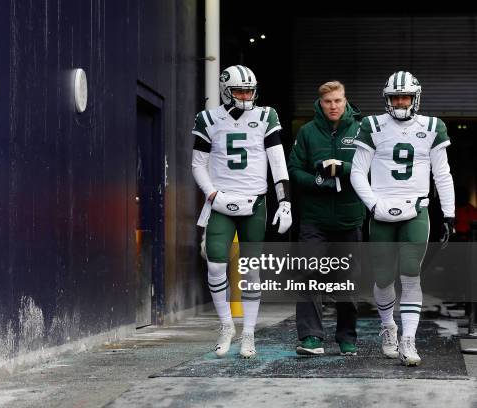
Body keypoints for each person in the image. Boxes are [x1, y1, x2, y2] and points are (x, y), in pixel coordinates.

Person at [350, 71, 455, 366]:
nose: (399, 102)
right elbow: (357, 171)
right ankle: (388, 327)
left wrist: (449, 212)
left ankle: (409, 339)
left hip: (415, 210)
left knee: (410, 273)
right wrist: (373, 205)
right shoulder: (372, 125)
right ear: (386, 98)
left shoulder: (433, 127)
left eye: (405, 96)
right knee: (383, 277)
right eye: (395, 97)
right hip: (381, 209)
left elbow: (442, 174)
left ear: (415, 98)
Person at [192, 65, 292, 358]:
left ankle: (248, 332)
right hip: (221, 202)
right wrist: (211, 193)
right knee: (214, 264)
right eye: (240, 91)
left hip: (255, 201)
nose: (247, 96)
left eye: (250, 91)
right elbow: (198, 163)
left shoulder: (265, 116)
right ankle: (226, 326)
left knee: (251, 270)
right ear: (225, 91)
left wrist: (284, 201)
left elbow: (277, 161)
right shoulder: (208, 118)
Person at [288, 81, 365, 356]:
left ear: (346, 101)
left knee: (347, 281)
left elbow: (373, 168)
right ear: (320, 104)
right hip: (314, 220)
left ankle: (347, 338)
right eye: (328, 102)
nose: (333, 106)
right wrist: (319, 181)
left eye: (338, 101)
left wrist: (344, 169)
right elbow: (294, 169)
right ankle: (311, 338)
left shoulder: (361, 129)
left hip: (349, 218)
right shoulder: (308, 132)